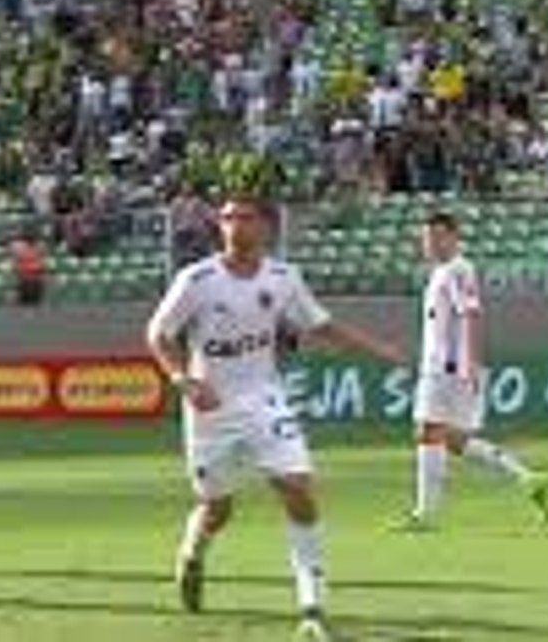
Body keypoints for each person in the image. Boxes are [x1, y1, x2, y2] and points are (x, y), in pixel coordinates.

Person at [146, 196, 407, 642]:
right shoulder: (197, 279)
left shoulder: (284, 278)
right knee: (217, 507)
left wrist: (376, 348)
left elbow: (320, 324)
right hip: (210, 408)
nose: (233, 225)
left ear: (266, 227)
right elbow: (158, 334)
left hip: (265, 399)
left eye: (243, 217)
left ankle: (312, 606)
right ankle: (193, 553)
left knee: (299, 488)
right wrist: (181, 378)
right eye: (226, 217)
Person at [393, 213, 548, 532]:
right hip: (441, 366)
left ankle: (424, 515)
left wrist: (470, 363)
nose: (430, 244)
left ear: (453, 237)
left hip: (448, 368)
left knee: (427, 431)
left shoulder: (458, 269)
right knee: (452, 439)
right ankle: (526, 477)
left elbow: (470, 315)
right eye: (426, 238)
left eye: (437, 237)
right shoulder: (442, 272)